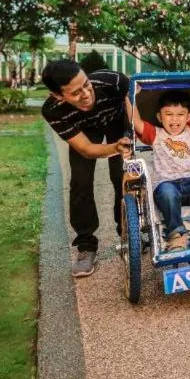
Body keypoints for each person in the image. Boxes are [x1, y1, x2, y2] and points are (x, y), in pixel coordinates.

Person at [41, 59, 130, 278]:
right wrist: (112, 148)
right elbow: (87, 149)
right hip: (85, 130)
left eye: (86, 84)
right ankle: (86, 245)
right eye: (75, 92)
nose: (86, 94)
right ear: (58, 96)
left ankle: (128, 233)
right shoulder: (53, 110)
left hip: (117, 120)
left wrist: (126, 140)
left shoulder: (114, 81)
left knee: (122, 175)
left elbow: (134, 106)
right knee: (80, 181)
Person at [126, 80, 190, 251]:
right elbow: (136, 121)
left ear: (188, 117)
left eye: (180, 114)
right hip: (167, 184)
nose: (175, 119)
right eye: (169, 114)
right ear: (160, 117)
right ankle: (176, 237)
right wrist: (129, 96)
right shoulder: (155, 133)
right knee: (168, 193)